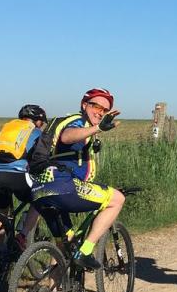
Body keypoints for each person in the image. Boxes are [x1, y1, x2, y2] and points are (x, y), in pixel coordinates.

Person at [30, 88, 124, 271]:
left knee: (63, 247)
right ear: (84, 105)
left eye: (105, 110)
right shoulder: (78, 121)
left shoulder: (74, 124)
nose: (100, 112)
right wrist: (98, 128)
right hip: (63, 186)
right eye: (96, 106)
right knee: (117, 199)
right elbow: (67, 136)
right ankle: (86, 251)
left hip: (40, 190)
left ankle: (54, 289)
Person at [0, 104, 47, 249]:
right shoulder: (35, 132)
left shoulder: (8, 128)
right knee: (39, 199)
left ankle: (1, 253)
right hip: (17, 174)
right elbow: (40, 159)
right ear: (38, 121)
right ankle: (22, 236)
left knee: (1, 212)